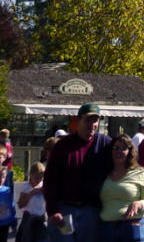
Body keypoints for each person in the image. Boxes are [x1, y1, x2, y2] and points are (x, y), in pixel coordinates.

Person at [44, 102, 112, 242]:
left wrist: (141, 172)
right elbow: (50, 180)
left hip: (92, 212)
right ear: (78, 121)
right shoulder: (63, 146)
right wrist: (53, 210)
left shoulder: (105, 143)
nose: (92, 124)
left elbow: (127, 157)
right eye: (88, 120)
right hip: (65, 209)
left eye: (95, 120)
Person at [99, 134, 144, 242]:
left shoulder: (141, 173)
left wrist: (139, 204)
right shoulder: (102, 173)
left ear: (130, 151)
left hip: (133, 227)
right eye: (115, 148)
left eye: (123, 148)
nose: (118, 151)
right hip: (107, 229)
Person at [16, 161, 47, 242]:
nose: (39, 180)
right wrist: (32, 192)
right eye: (36, 178)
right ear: (31, 176)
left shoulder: (44, 185)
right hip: (29, 218)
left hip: (41, 219)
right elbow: (20, 205)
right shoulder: (26, 187)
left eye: (41, 178)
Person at [0, 154, 16, 242]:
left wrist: (14, 224)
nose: (0, 179)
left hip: (4, 224)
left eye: (2, 176)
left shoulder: (7, 191)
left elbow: (11, 207)